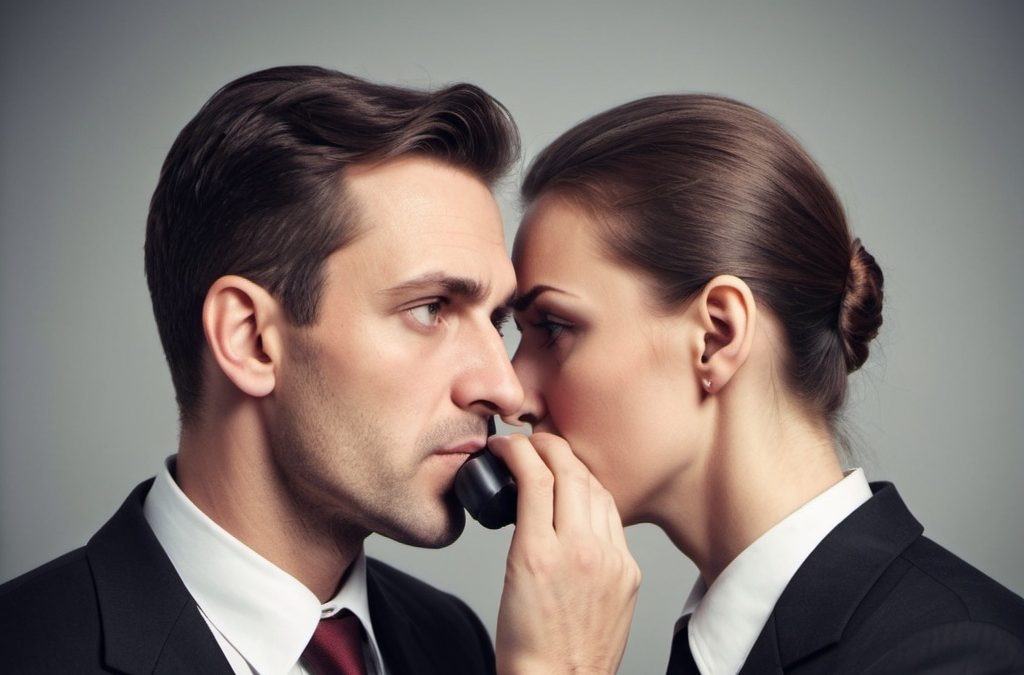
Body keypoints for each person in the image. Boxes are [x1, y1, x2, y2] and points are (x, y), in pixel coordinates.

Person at [0, 65, 639, 674]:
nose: (502, 387)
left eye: (495, 320)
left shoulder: (457, 643)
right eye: (430, 309)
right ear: (250, 339)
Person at [496, 94, 1024, 673]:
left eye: (553, 327)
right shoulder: (717, 650)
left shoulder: (957, 657)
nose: (512, 390)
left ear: (717, 336)